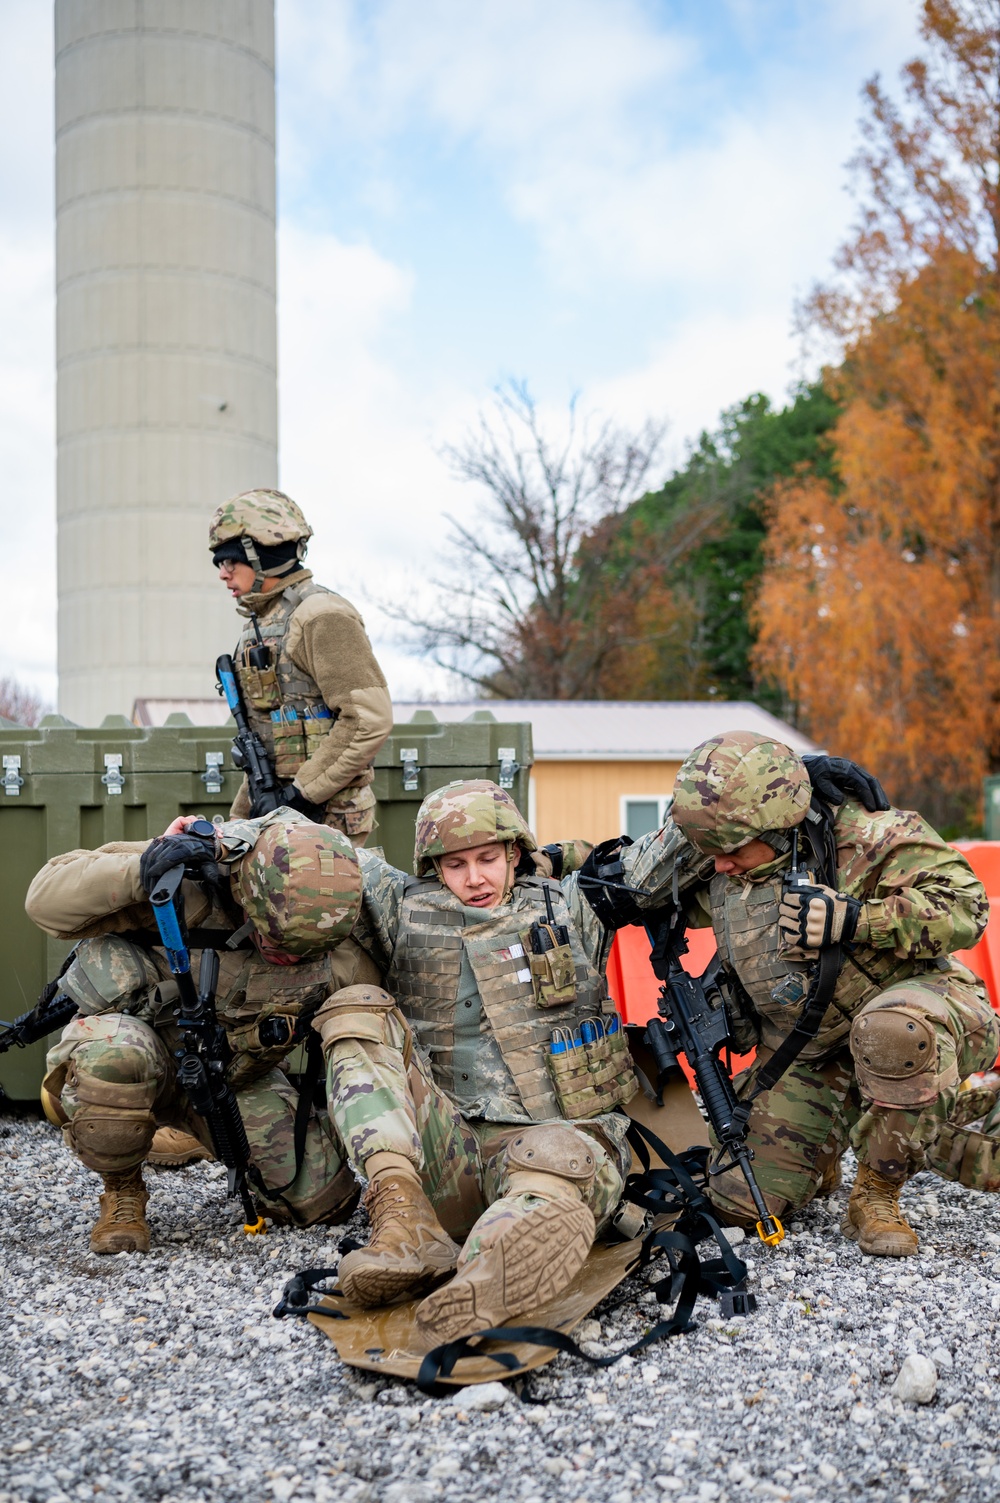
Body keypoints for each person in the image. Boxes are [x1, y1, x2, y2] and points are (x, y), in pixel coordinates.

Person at [307, 777, 770, 1341]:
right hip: (443, 1155)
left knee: (554, 1159)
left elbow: (672, 848)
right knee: (354, 1009)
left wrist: (754, 783)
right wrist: (214, 837)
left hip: (558, 1149)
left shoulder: (574, 904)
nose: (474, 878)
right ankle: (401, 1221)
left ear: (515, 853)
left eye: (486, 859)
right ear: (432, 866)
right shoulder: (401, 905)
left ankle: (482, 1281)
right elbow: (313, 849)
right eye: (454, 865)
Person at [662, 731, 998, 1258]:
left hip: (916, 1016)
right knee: (742, 1203)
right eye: (709, 851)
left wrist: (857, 919)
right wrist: (537, 862)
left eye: (729, 851)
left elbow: (967, 909)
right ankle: (835, 1142)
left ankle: (878, 1190)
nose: (717, 865)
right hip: (812, 1048)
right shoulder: (726, 853)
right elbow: (627, 879)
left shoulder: (870, 836)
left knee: (891, 1034)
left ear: (777, 824)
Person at [25, 812, 379, 1255]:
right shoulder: (186, 884)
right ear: (248, 897)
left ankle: (194, 1132)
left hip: (231, 1077)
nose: (290, 958)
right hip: (143, 1051)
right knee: (111, 1059)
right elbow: (44, 901)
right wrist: (147, 866)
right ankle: (122, 1189)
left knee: (322, 1203)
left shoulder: (335, 939)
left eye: (305, 951)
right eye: (275, 942)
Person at [208, 488, 393, 846]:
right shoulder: (261, 621)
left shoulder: (321, 614)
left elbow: (368, 718)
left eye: (229, 561)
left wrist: (300, 794)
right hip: (275, 812)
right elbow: (264, 738)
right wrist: (243, 817)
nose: (222, 574)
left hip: (324, 823)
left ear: (260, 554)